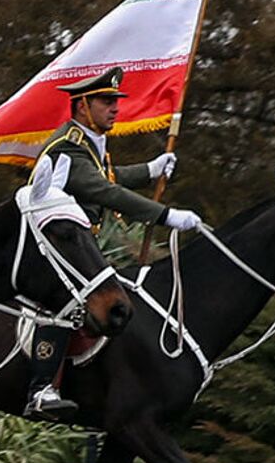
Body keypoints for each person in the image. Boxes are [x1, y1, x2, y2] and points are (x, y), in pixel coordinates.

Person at [23, 67, 201, 417]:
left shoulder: (88, 144)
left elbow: (108, 177)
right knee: (67, 301)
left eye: (115, 101)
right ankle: (41, 388)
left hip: (77, 246)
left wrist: (149, 170)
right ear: (82, 106)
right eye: (106, 101)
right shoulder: (67, 147)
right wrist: (165, 215)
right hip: (52, 246)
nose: (115, 108)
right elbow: (102, 190)